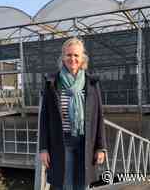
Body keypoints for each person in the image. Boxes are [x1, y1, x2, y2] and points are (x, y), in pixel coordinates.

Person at [39, 37, 106, 190]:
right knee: (65, 184)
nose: (72, 59)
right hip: (61, 142)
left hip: (86, 141)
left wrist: (101, 147)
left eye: (76, 55)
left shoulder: (91, 83)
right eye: (69, 55)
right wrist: (43, 148)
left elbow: (98, 117)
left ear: (82, 57)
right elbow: (44, 118)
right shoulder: (52, 83)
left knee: (82, 184)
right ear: (63, 57)